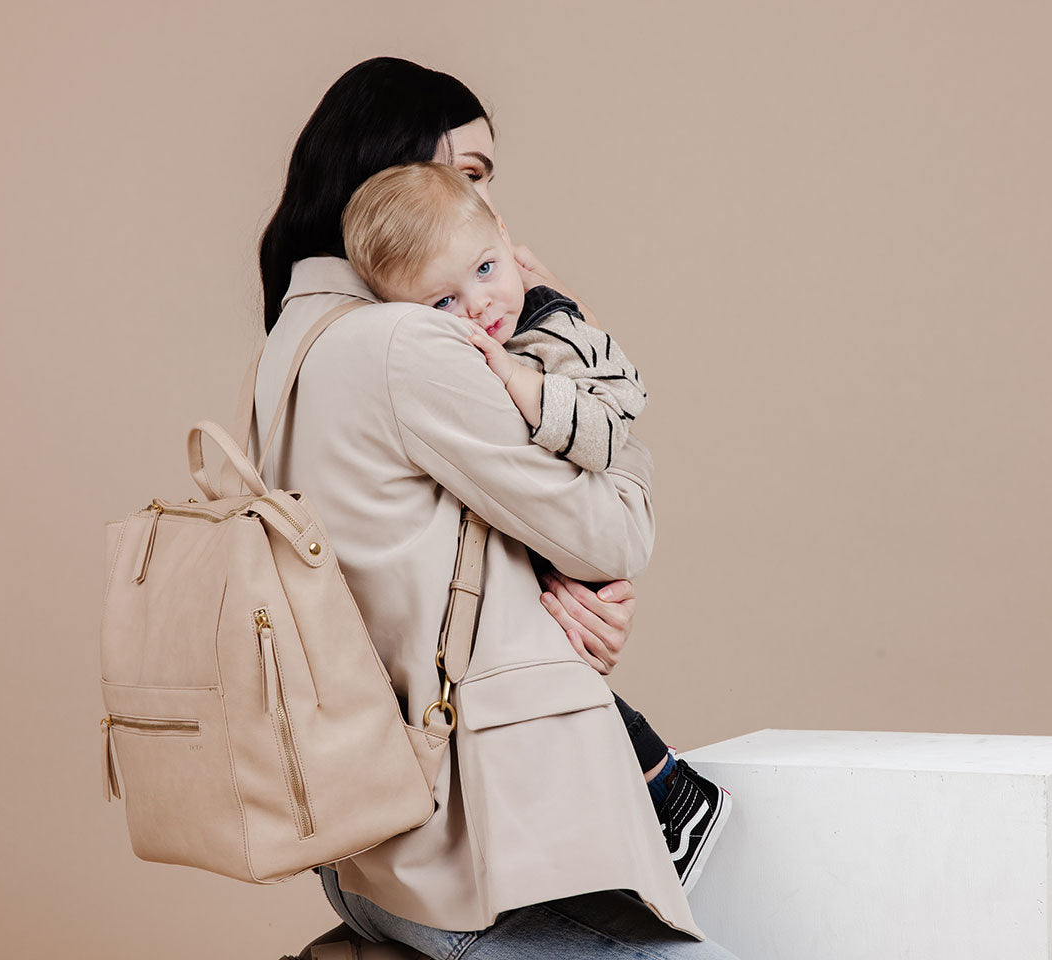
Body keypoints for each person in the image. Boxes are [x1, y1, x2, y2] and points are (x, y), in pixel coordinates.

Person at [253, 56, 740, 959]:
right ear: (390, 180)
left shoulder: (294, 338)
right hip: (482, 861)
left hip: (373, 852)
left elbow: (423, 563)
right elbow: (618, 530)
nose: (491, 221)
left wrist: (549, 608)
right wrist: (558, 325)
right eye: (463, 177)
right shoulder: (410, 344)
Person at [340, 159, 732, 890]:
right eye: (444, 304)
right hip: (538, 545)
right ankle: (666, 797)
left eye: (488, 270)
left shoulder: (553, 328)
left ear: (507, 240)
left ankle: (670, 796)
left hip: (588, 507)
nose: (481, 305)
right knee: (543, 640)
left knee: (551, 653)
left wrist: (525, 386)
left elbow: (614, 431)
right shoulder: (461, 341)